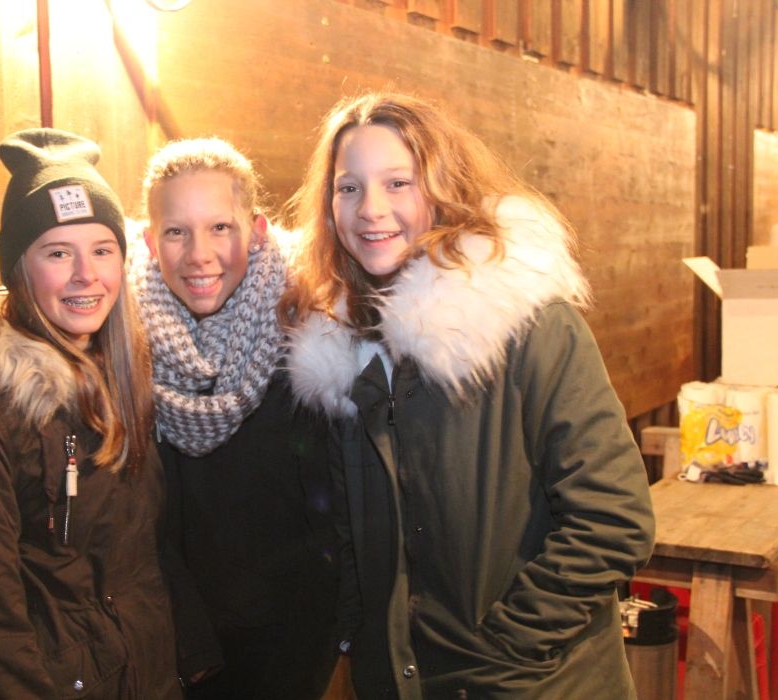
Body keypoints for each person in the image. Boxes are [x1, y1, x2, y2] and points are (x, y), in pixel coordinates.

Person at [279, 92, 655, 700]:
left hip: (534, 683)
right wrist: (360, 634)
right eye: (348, 188)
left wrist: (508, 651)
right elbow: (359, 536)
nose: (371, 209)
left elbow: (614, 519)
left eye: (398, 182)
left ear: (443, 188)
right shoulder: (344, 351)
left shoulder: (530, 327)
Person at [0, 128, 181, 699]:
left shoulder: (122, 371)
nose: (86, 274)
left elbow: (145, 557)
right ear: (19, 267)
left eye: (102, 249)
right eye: (58, 253)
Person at [128, 137, 340, 699]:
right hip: (174, 639)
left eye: (220, 227)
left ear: (257, 231)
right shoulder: (124, 344)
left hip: (291, 643)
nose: (199, 254)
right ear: (150, 241)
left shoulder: (309, 334)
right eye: (176, 231)